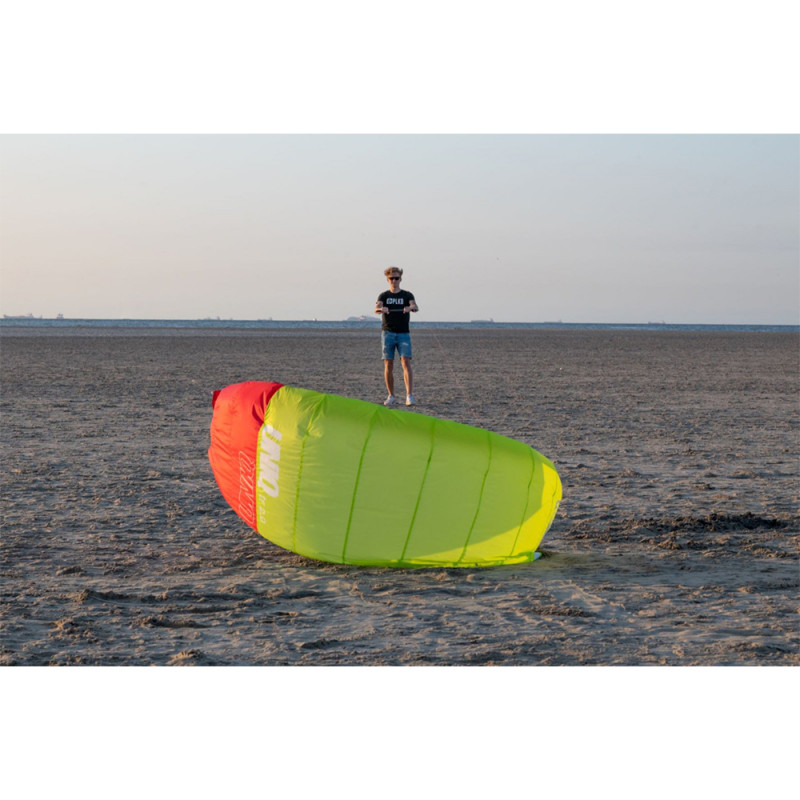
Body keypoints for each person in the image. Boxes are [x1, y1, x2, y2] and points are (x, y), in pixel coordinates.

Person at [375, 266, 418, 406]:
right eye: (391, 278)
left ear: (400, 279)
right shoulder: (384, 296)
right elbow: (376, 308)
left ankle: (409, 395)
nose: (394, 281)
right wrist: (381, 309)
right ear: (388, 280)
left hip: (403, 333)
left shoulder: (407, 295)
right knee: (388, 363)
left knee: (405, 361)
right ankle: (391, 395)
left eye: (396, 278)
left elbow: (415, 306)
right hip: (388, 332)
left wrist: (409, 308)